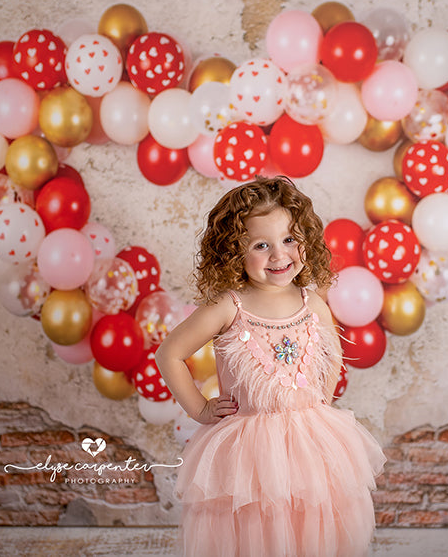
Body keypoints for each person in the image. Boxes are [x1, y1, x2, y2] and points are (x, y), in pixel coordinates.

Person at [156, 176, 386, 557]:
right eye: (262, 245)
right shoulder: (229, 307)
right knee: (256, 532)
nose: (280, 255)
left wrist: (318, 403)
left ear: (305, 241)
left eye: (289, 240)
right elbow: (170, 353)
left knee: (310, 525)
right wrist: (199, 407)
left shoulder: (312, 303)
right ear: (233, 252)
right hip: (248, 453)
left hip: (310, 442)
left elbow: (332, 355)